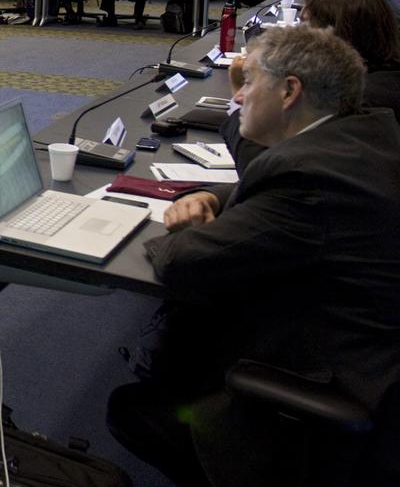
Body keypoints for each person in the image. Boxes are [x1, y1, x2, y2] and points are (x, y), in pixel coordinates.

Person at [108, 25, 400, 487]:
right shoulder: (367, 132)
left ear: (289, 91)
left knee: (130, 409)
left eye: (250, 83)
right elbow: (277, 191)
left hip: (333, 375)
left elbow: (183, 263)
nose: (239, 97)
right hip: (373, 343)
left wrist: (182, 230)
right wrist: (214, 196)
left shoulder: (308, 177)